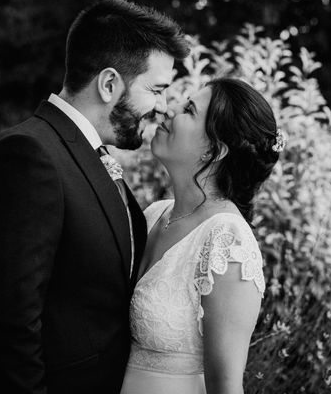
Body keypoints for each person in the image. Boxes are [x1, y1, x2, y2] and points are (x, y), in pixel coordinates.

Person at [0, 0, 190, 394]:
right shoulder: (27, 155)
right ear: (108, 84)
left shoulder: (89, 153)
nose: (161, 107)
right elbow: (8, 329)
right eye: (156, 90)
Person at [120, 78, 284, 394]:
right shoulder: (155, 214)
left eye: (189, 110)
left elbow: (225, 388)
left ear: (216, 149)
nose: (167, 110)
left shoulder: (226, 241)